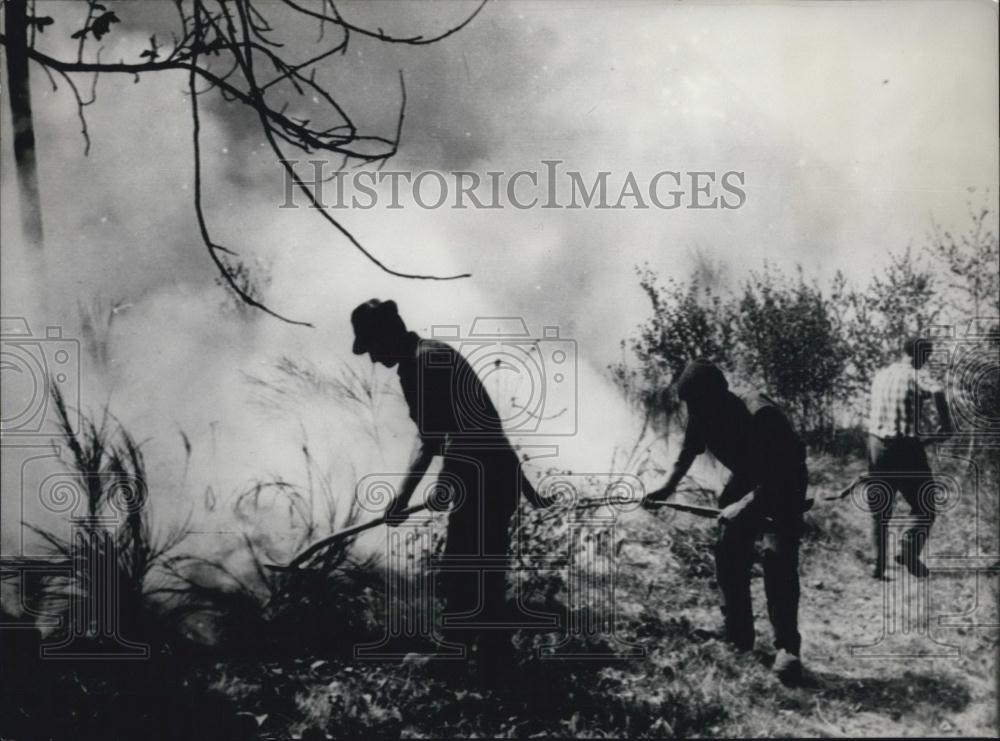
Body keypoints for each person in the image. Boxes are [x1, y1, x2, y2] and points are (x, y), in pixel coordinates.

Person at [350, 299, 549, 666]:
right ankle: (494, 655)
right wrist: (524, 486)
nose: (374, 358)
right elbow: (488, 426)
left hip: (479, 476)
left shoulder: (420, 366)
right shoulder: (436, 353)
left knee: (461, 568)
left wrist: (402, 498)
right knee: (485, 567)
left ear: (387, 335)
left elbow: (436, 440)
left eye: (373, 347)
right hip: (495, 472)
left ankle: (451, 656)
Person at [644, 359, 808, 685]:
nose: (693, 410)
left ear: (717, 396)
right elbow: (688, 451)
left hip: (784, 482)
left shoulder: (760, 413)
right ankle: (738, 635)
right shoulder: (701, 409)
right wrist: (667, 487)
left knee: (777, 561)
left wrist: (743, 505)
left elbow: (780, 469)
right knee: (729, 553)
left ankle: (787, 648)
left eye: (698, 403)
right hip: (748, 478)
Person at [866, 337, 952, 579]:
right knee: (925, 505)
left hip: (875, 446)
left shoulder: (881, 375)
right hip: (905, 447)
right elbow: (938, 392)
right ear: (922, 356)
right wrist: (945, 426)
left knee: (880, 510)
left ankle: (878, 566)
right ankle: (907, 550)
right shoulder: (917, 374)